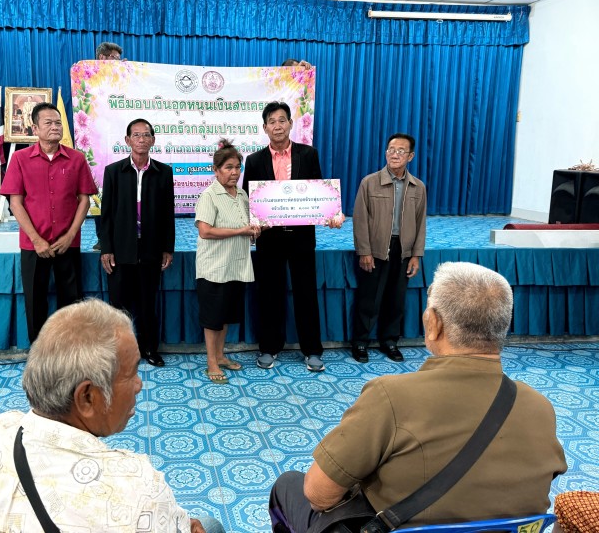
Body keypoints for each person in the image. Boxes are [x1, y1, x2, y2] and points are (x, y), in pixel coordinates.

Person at [269, 262, 567, 531]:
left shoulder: (390, 396)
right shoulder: (540, 407)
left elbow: (319, 496)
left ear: (433, 323)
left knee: (288, 485)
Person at [0, 299, 225, 533]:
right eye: (131, 373)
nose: (139, 385)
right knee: (210, 524)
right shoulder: (139, 488)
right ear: (87, 397)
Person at [242, 101, 344, 372]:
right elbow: (248, 200)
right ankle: (269, 347)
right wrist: (252, 224)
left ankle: (312, 350)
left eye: (282, 120)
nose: (277, 126)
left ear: (290, 123)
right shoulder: (254, 161)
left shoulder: (308, 154)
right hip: (269, 239)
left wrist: (331, 213)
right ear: (265, 128)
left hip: (301, 238)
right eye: (272, 122)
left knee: (306, 293)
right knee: (269, 294)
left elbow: (319, 191)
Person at [0, 102, 97, 344]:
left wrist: (70, 235)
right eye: (48, 123)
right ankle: (40, 352)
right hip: (34, 245)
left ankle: (71, 350)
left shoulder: (76, 159)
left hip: (67, 244)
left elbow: (84, 200)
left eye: (58, 123)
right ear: (35, 128)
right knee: (35, 301)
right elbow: (15, 203)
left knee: (72, 301)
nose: (55, 127)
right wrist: (36, 240)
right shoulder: (20, 159)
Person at [100, 118, 175, 367]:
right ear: (127, 140)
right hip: (121, 248)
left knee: (147, 304)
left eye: (146, 135)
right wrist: (106, 248)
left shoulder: (163, 172)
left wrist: (168, 247)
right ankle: (120, 354)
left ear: (153, 140)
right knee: (118, 306)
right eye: (136, 135)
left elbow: (168, 213)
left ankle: (149, 349)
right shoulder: (113, 172)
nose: (141, 139)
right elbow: (106, 214)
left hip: (151, 248)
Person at [351, 133, 426, 363]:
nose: (395, 154)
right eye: (391, 150)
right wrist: (364, 251)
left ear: (410, 156)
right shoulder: (369, 182)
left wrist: (416, 255)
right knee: (369, 300)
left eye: (401, 151)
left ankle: (390, 341)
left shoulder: (418, 187)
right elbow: (360, 219)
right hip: (376, 249)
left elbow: (421, 222)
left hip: (403, 250)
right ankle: (360, 342)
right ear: (386, 153)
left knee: (396, 299)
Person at [195, 139, 261, 383]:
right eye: (228, 167)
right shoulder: (209, 196)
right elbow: (205, 231)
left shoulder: (242, 195)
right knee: (213, 319)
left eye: (237, 167)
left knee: (225, 316)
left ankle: (221, 356)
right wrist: (241, 231)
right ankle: (211, 362)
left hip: (236, 266)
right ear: (216, 170)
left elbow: (246, 226)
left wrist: (254, 231)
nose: (234, 172)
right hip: (214, 268)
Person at [90, 40, 124, 252]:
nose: (117, 63)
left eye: (119, 60)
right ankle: (102, 237)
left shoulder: (122, 79)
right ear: (102, 58)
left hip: (119, 142)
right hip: (97, 144)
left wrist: (128, 74)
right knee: (99, 193)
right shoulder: (87, 77)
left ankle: (123, 235)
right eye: (114, 59)